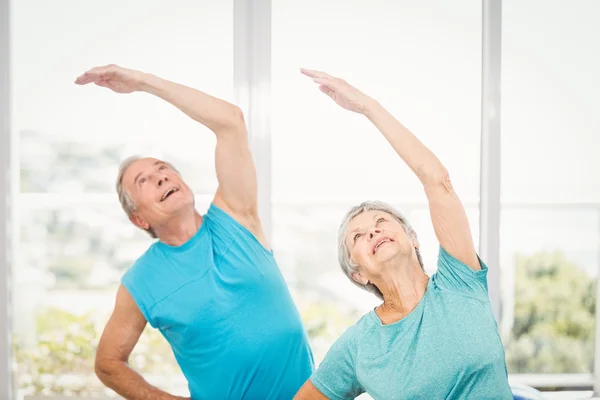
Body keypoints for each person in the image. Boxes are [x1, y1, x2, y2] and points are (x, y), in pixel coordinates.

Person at [75, 64, 314, 400]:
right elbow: (108, 363)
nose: (161, 177)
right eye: (144, 180)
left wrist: (144, 82)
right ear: (138, 219)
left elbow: (230, 122)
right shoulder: (140, 282)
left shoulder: (236, 215)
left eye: (164, 169)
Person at [293, 69, 513, 400]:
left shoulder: (459, 282)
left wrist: (366, 106)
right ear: (358, 272)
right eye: (358, 236)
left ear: (412, 237)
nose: (373, 230)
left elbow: (437, 180)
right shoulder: (359, 346)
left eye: (381, 220)